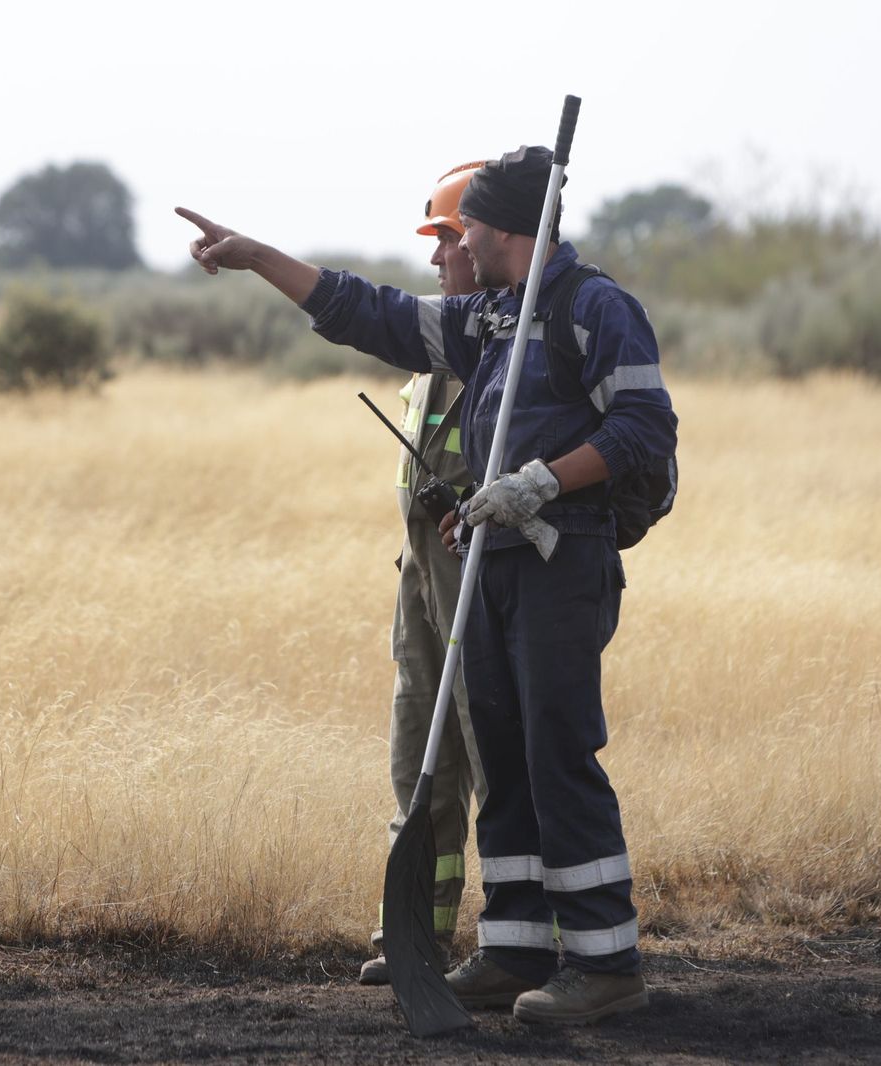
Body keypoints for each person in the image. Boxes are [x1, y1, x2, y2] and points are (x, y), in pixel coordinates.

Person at [176, 144, 677, 1026]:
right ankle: (515, 948)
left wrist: (542, 481)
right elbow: (364, 314)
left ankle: (606, 963)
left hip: (563, 561)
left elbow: (645, 427)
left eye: (469, 226)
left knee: (557, 754)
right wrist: (258, 258)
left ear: (511, 228)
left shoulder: (596, 308)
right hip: (493, 562)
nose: (460, 242)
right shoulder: (483, 319)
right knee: (508, 759)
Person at [354, 162, 488, 988]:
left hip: (485, 597)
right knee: (418, 770)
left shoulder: (513, 360)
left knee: (507, 774)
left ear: (487, 242)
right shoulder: (430, 357)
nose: (436, 259)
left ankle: (535, 945)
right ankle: (412, 939)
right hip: (422, 602)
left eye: (447, 241)